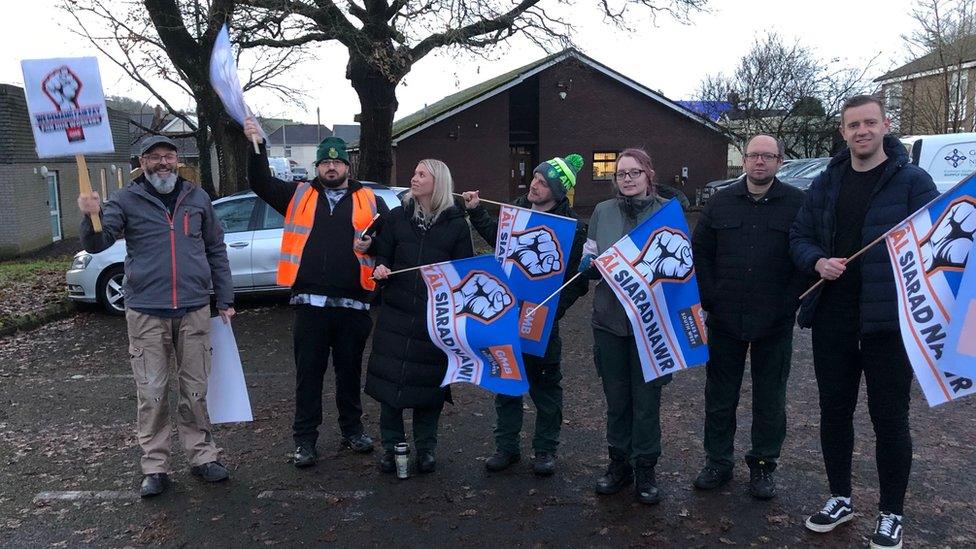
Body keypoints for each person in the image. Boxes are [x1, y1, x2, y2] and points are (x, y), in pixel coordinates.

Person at [790, 95, 938, 549]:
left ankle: (891, 512)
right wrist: (817, 263)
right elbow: (800, 236)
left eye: (870, 123)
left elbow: (934, 240)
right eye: (853, 125)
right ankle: (840, 498)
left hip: (888, 324)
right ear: (843, 131)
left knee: (889, 418)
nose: (862, 132)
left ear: (886, 125)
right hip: (834, 317)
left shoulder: (913, 181)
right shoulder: (826, 182)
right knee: (835, 413)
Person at [77, 135, 234, 497]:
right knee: (152, 392)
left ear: (177, 160)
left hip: (194, 308)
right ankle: (155, 465)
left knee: (195, 390)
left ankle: (202, 456)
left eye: (169, 156)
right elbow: (98, 243)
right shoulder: (125, 199)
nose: (163, 163)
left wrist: (224, 298)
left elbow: (215, 248)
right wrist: (91, 215)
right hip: (146, 312)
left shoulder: (197, 198)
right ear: (142, 162)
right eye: (155, 157)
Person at [244, 118, 388, 468]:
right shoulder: (298, 195)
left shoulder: (372, 201)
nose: (331, 167)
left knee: (349, 373)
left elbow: (388, 245)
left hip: (354, 305)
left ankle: (352, 431)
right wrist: (257, 145)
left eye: (337, 162)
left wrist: (378, 250)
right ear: (317, 167)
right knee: (308, 376)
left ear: (347, 167)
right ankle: (305, 440)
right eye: (325, 162)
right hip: (310, 306)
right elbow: (259, 181)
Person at [690, 134, 805, 500]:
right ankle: (718, 462)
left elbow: (805, 257)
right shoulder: (721, 203)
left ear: (779, 162)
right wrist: (710, 297)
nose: (760, 162)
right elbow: (700, 253)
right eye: (754, 155)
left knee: (770, 399)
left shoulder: (797, 204)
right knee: (720, 396)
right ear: (744, 159)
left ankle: (762, 466)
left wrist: (790, 303)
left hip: (775, 320)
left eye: (767, 156)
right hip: (725, 318)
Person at [460, 154, 589, 477]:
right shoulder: (515, 211)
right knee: (506, 384)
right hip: (506, 316)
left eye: (544, 182)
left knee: (546, 389)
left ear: (559, 192)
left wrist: (554, 311)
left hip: (543, 322)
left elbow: (578, 279)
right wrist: (476, 211)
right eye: (535, 177)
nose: (534, 184)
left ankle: (545, 450)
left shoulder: (573, 229)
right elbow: (497, 241)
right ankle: (506, 447)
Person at [364, 159, 474, 474]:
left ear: (437, 182)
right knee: (390, 386)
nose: (413, 178)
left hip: (433, 319)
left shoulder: (455, 224)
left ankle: (426, 448)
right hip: (396, 315)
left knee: (430, 388)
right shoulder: (397, 218)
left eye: (421, 174)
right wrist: (380, 267)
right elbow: (382, 253)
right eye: (414, 173)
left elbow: (463, 272)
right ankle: (392, 446)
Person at [578, 148, 670, 505]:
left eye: (634, 172)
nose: (627, 179)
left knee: (646, 400)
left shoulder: (666, 212)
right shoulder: (602, 212)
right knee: (617, 399)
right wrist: (588, 265)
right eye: (620, 174)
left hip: (652, 324)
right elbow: (589, 254)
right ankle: (619, 463)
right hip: (610, 321)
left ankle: (645, 467)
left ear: (648, 174)